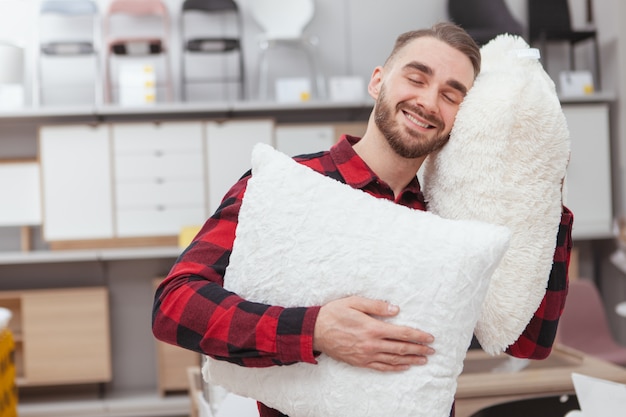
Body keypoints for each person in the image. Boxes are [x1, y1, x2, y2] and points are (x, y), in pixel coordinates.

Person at [152, 22, 574, 417]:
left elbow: (527, 342)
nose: (428, 101)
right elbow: (175, 304)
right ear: (378, 81)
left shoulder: (448, 222)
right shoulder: (288, 185)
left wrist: (542, 199)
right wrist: (314, 330)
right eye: (416, 77)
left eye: (451, 94)